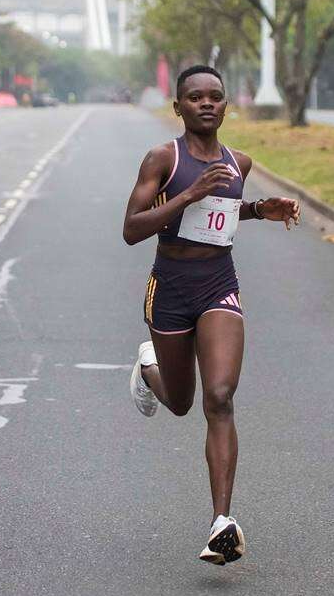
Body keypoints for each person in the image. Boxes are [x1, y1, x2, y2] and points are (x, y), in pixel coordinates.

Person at [121, 64, 300, 564]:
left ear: (226, 106)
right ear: (178, 107)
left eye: (215, 97)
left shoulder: (238, 162)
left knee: (219, 397)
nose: (206, 104)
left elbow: (221, 212)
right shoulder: (163, 158)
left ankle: (222, 521)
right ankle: (147, 365)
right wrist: (187, 194)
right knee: (181, 402)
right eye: (195, 97)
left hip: (219, 285)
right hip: (170, 289)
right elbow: (132, 229)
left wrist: (261, 208)